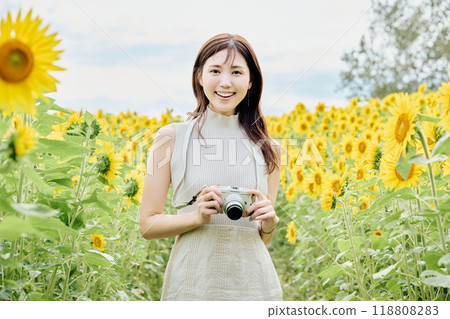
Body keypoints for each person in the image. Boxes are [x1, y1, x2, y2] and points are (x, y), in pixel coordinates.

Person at [139, 33, 283, 301]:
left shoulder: (270, 149)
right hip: (193, 283)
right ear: (200, 77)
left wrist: (269, 223)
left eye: (237, 72)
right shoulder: (170, 138)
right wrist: (197, 217)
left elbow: (260, 238)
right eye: (215, 70)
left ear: (251, 81)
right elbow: (147, 225)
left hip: (253, 285)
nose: (225, 82)